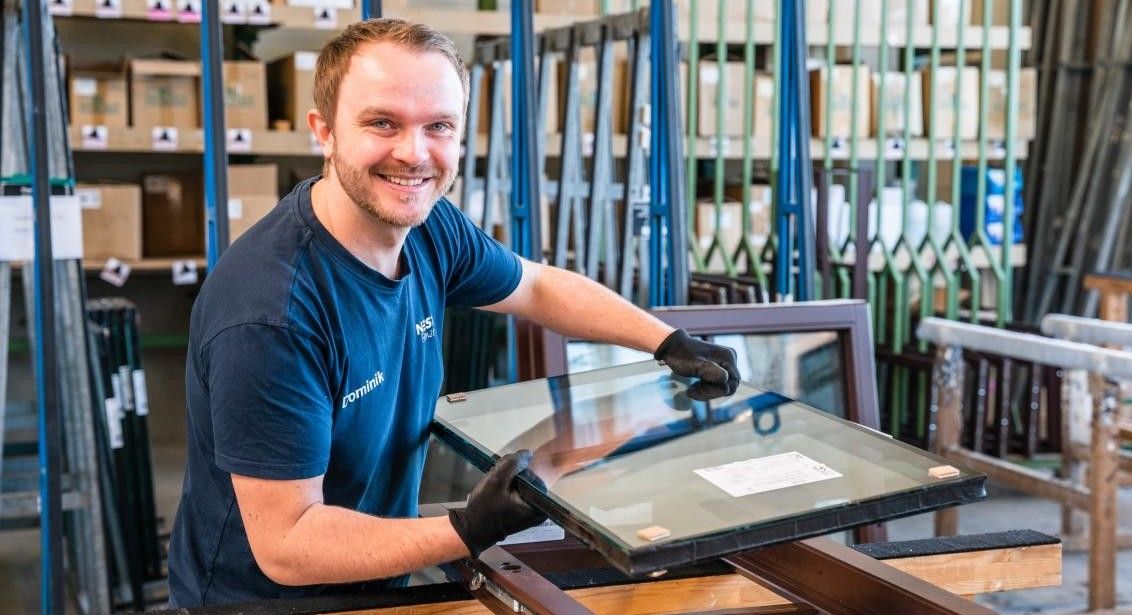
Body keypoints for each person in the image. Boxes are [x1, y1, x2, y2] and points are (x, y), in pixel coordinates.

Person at [166, 18, 740, 607]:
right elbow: (288, 543)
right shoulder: (271, 314)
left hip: (375, 583)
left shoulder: (429, 228)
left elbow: (538, 287)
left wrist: (667, 341)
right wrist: (466, 529)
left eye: (438, 126)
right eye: (382, 122)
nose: (414, 153)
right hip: (265, 603)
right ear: (325, 131)